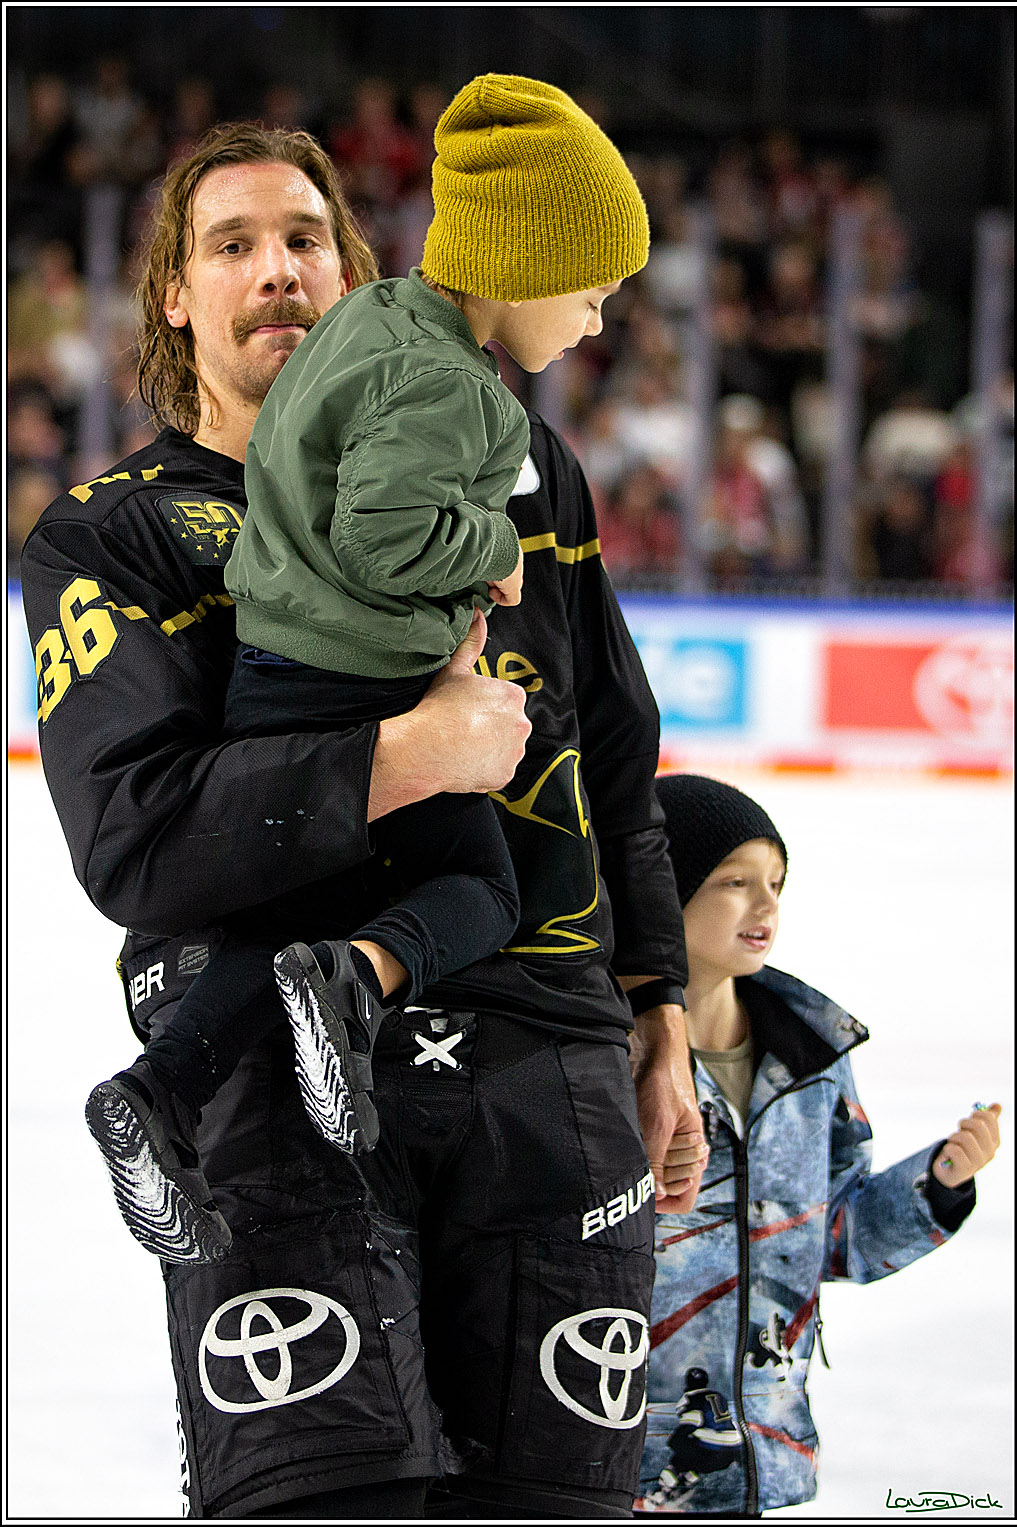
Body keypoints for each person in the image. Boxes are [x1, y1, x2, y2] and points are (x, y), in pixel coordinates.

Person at [20, 120, 701, 1520]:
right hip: (275, 1079)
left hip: (550, 1073)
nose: (277, 270)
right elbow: (136, 837)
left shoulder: (519, 461)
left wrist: (662, 1004)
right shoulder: (115, 532)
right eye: (231, 244)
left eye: (306, 237)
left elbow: (615, 751)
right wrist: (400, 752)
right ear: (172, 293)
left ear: (359, 268)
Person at [84, 74, 649, 1265]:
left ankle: (160, 1091)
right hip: (353, 682)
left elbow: (617, 739)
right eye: (592, 293)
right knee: (478, 885)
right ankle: (355, 976)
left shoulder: (381, 326)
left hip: (287, 672)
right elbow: (380, 537)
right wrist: (490, 551)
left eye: (303, 239)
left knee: (275, 920)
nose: (597, 323)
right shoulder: (466, 399)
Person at [636, 773, 1001, 1517]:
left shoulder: (812, 1056)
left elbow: (834, 1242)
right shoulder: (609, 1056)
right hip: (624, 1463)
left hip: (768, 1459)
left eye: (776, 881)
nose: (766, 905)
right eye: (734, 881)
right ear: (659, 889)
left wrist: (937, 1183)